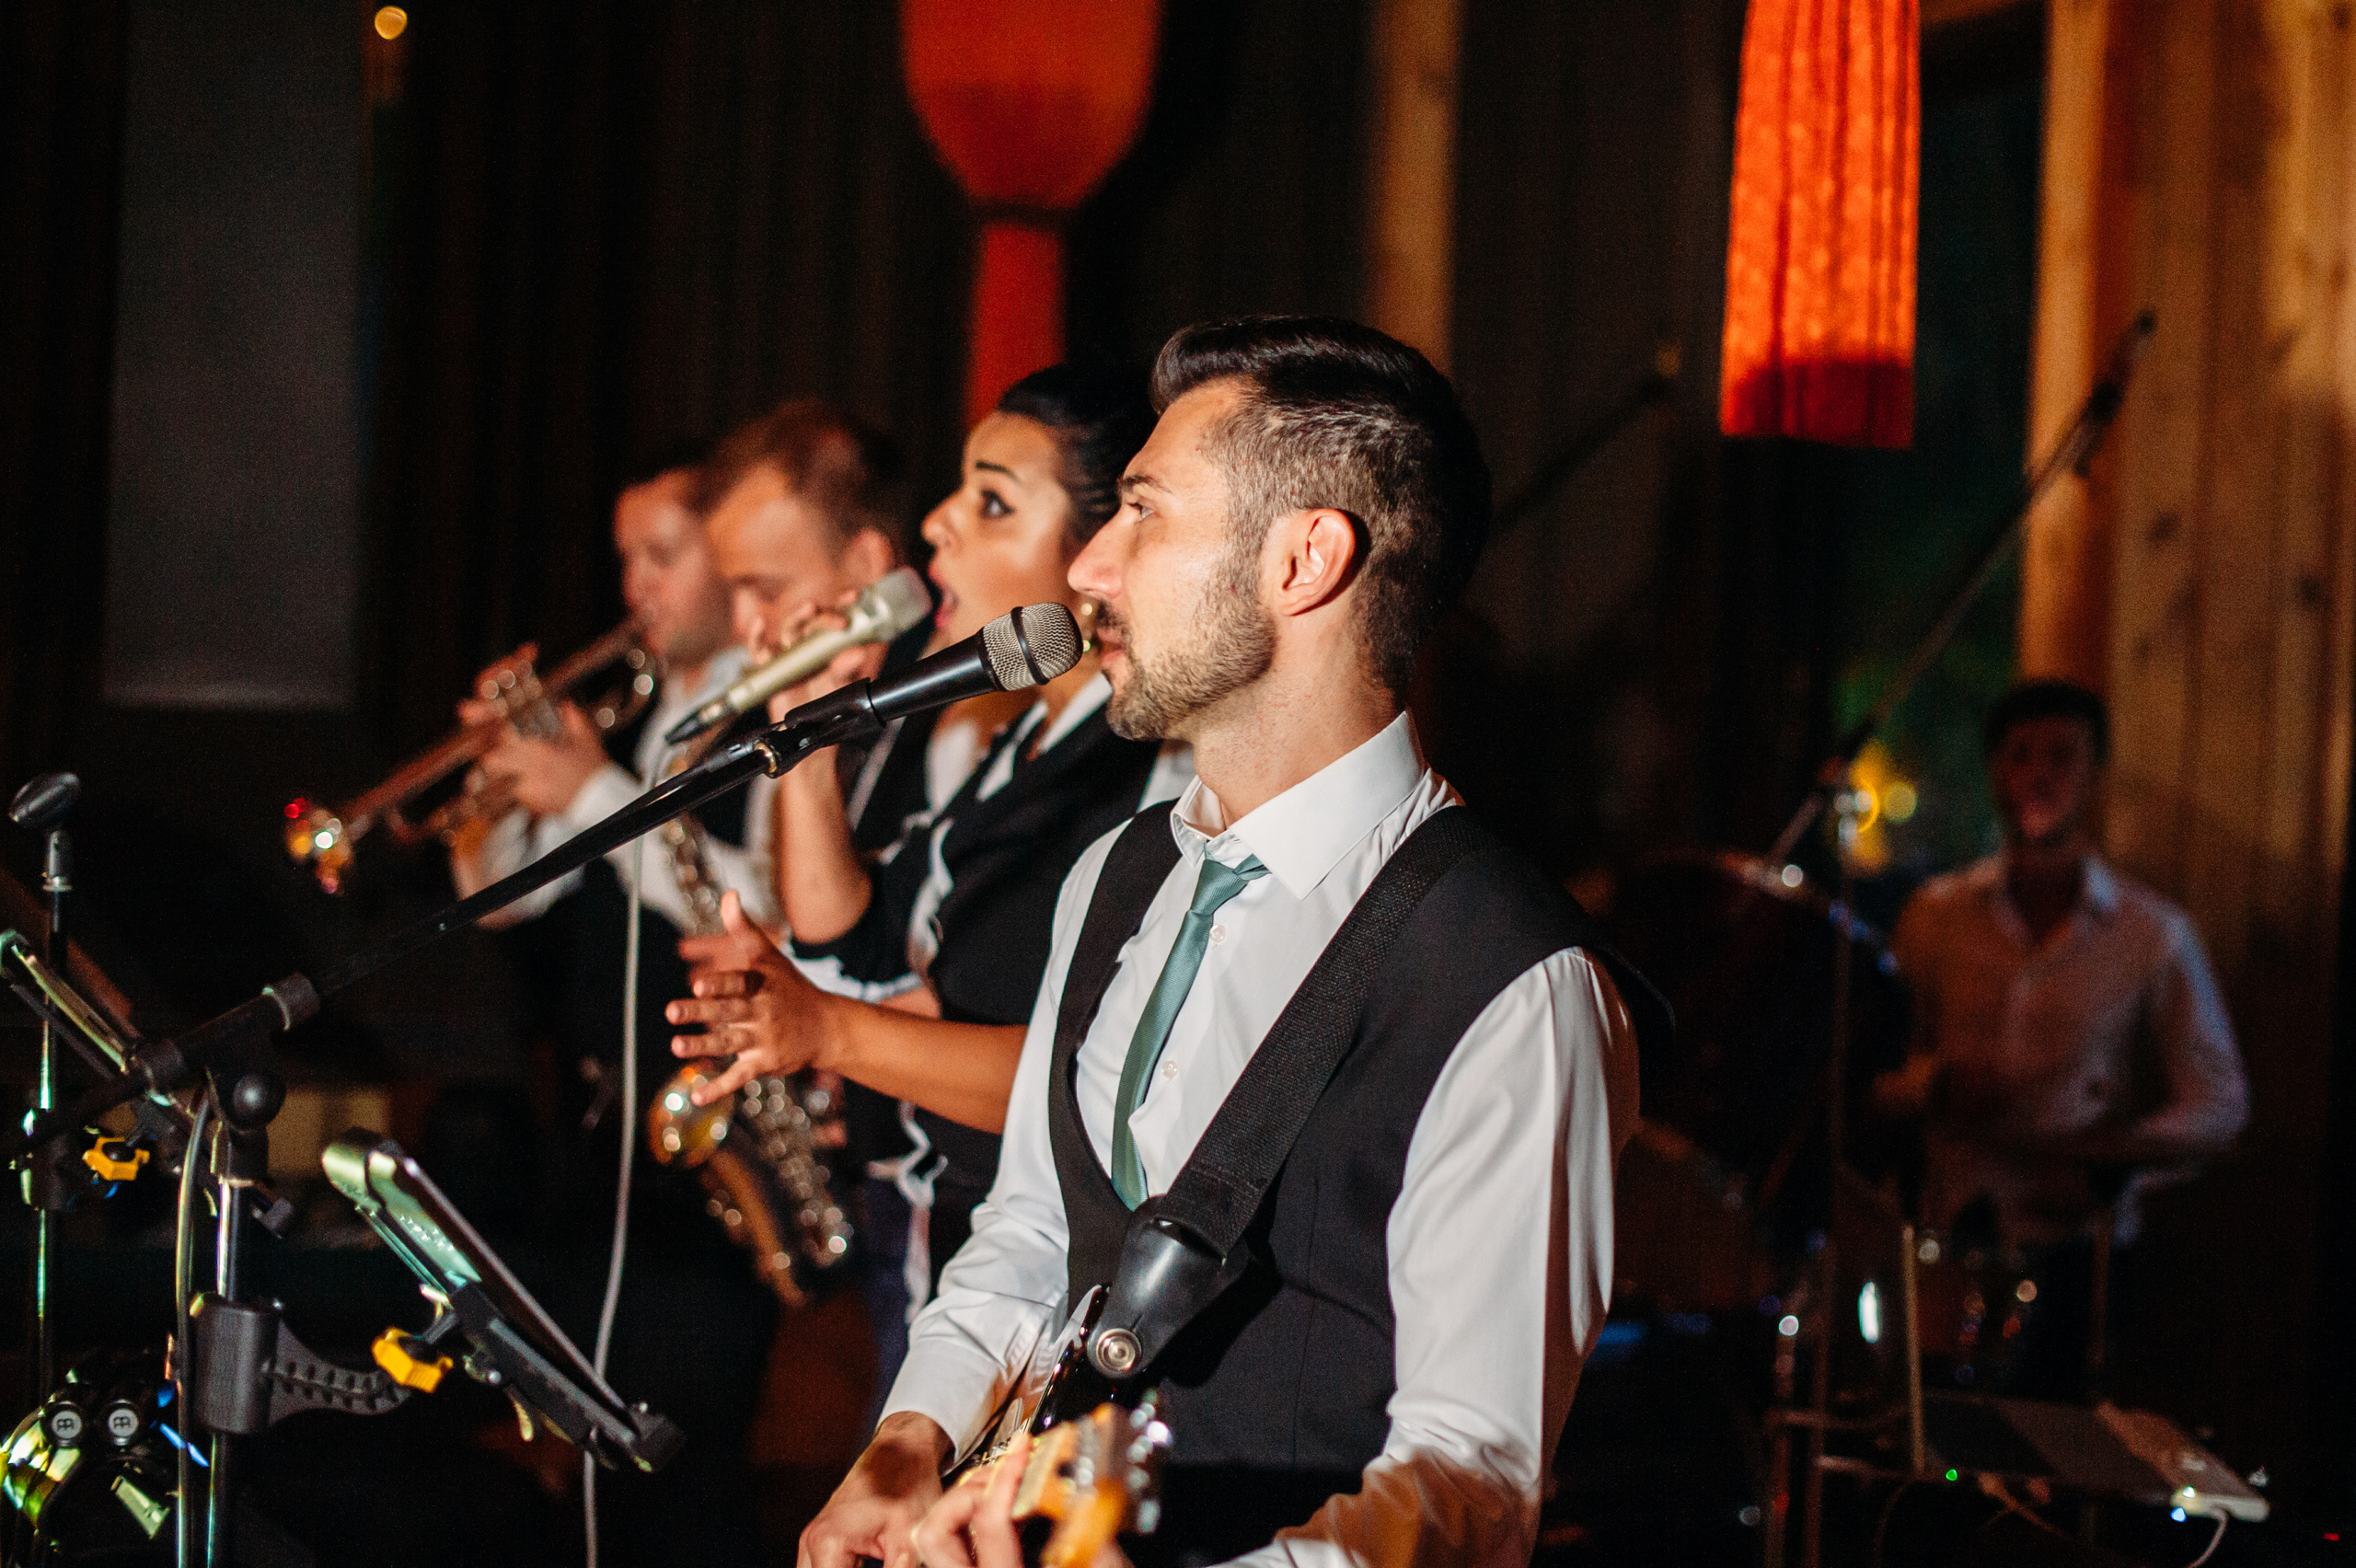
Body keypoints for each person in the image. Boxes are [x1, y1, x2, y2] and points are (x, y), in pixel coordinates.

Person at [670, 317, 1660, 1568]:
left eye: (1143, 514)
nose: (1090, 569)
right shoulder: (1120, 873)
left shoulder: (1516, 985)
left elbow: (1473, 1486)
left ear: (1303, 560)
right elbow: (1032, 1232)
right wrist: (908, 1444)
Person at [688, 365, 1192, 1401]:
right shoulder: (1020, 744)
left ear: (1097, 553)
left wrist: (827, 1029)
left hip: (1049, 1289)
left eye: (993, 502)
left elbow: (1089, 1084)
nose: (937, 524)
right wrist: (804, 739)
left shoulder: (1153, 770)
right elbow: (858, 946)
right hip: (946, 1246)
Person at [444, 449, 788, 1567]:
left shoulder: (770, 707)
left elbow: (763, 902)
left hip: (713, 1160)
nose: (637, 584)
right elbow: (511, 895)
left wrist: (592, 791)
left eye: (663, 553)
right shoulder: (634, 720)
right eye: (626, 558)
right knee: (596, 1469)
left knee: (685, 1478)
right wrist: (496, 793)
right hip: (600, 1150)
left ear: (729, 562)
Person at [1875, 679, 2248, 1396]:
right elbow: (1872, 1069)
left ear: (2096, 777)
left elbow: (2221, 1101)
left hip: (2082, 1259)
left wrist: (2110, 1169)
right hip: (1946, 1236)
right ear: (1994, 773)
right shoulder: (1935, 916)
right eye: (2019, 755)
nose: (2038, 775)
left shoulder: (2153, 933)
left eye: (2061, 757)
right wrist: (1937, 1085)